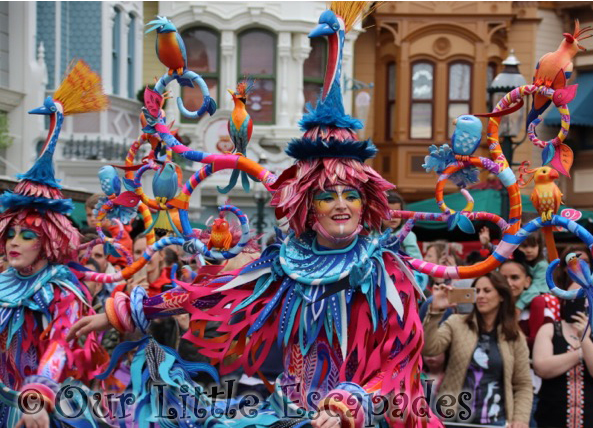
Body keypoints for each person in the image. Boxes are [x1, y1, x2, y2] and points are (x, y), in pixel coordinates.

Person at [68, 4, 443, 427]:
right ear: (306, 204)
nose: (341, 203)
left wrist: (346, 406)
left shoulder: (386, 271)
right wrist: (128, 311)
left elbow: (398, 358)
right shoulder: (285, 264)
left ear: (365, 202)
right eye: (326, 195)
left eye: (350, 194)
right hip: (292, 416)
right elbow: (206, 295)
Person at [0, 61, 108, 428]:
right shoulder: (3, 283)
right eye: (12, 234)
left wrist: (37, 395)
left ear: (47, 242)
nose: (15, 242)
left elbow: (62, 342)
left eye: (27, 235)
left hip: (40, 410)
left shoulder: (60, 289)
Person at [423, 271, 532, 427]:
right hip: (455, 420)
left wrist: (520, 419)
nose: (480, 296)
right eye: (477, 291)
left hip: (496, 421)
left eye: (487, 291)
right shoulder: (456, 323)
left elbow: (523, 384)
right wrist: (435, 311)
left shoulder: (514, 336)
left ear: (501, 296)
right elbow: (429, 348)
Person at [532, 283, 593, 428]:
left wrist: (584, 339)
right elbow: (541, 368)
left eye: (583, 297)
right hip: (552, 418)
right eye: (572, 296)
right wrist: (579, 354)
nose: (577, 301)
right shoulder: (550, 329)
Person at [382, 191, 423, 259]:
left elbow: (416, 259)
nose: (394, 217)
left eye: (398, 212)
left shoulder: (407, 234)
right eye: (389, 212)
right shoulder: (374, 234)